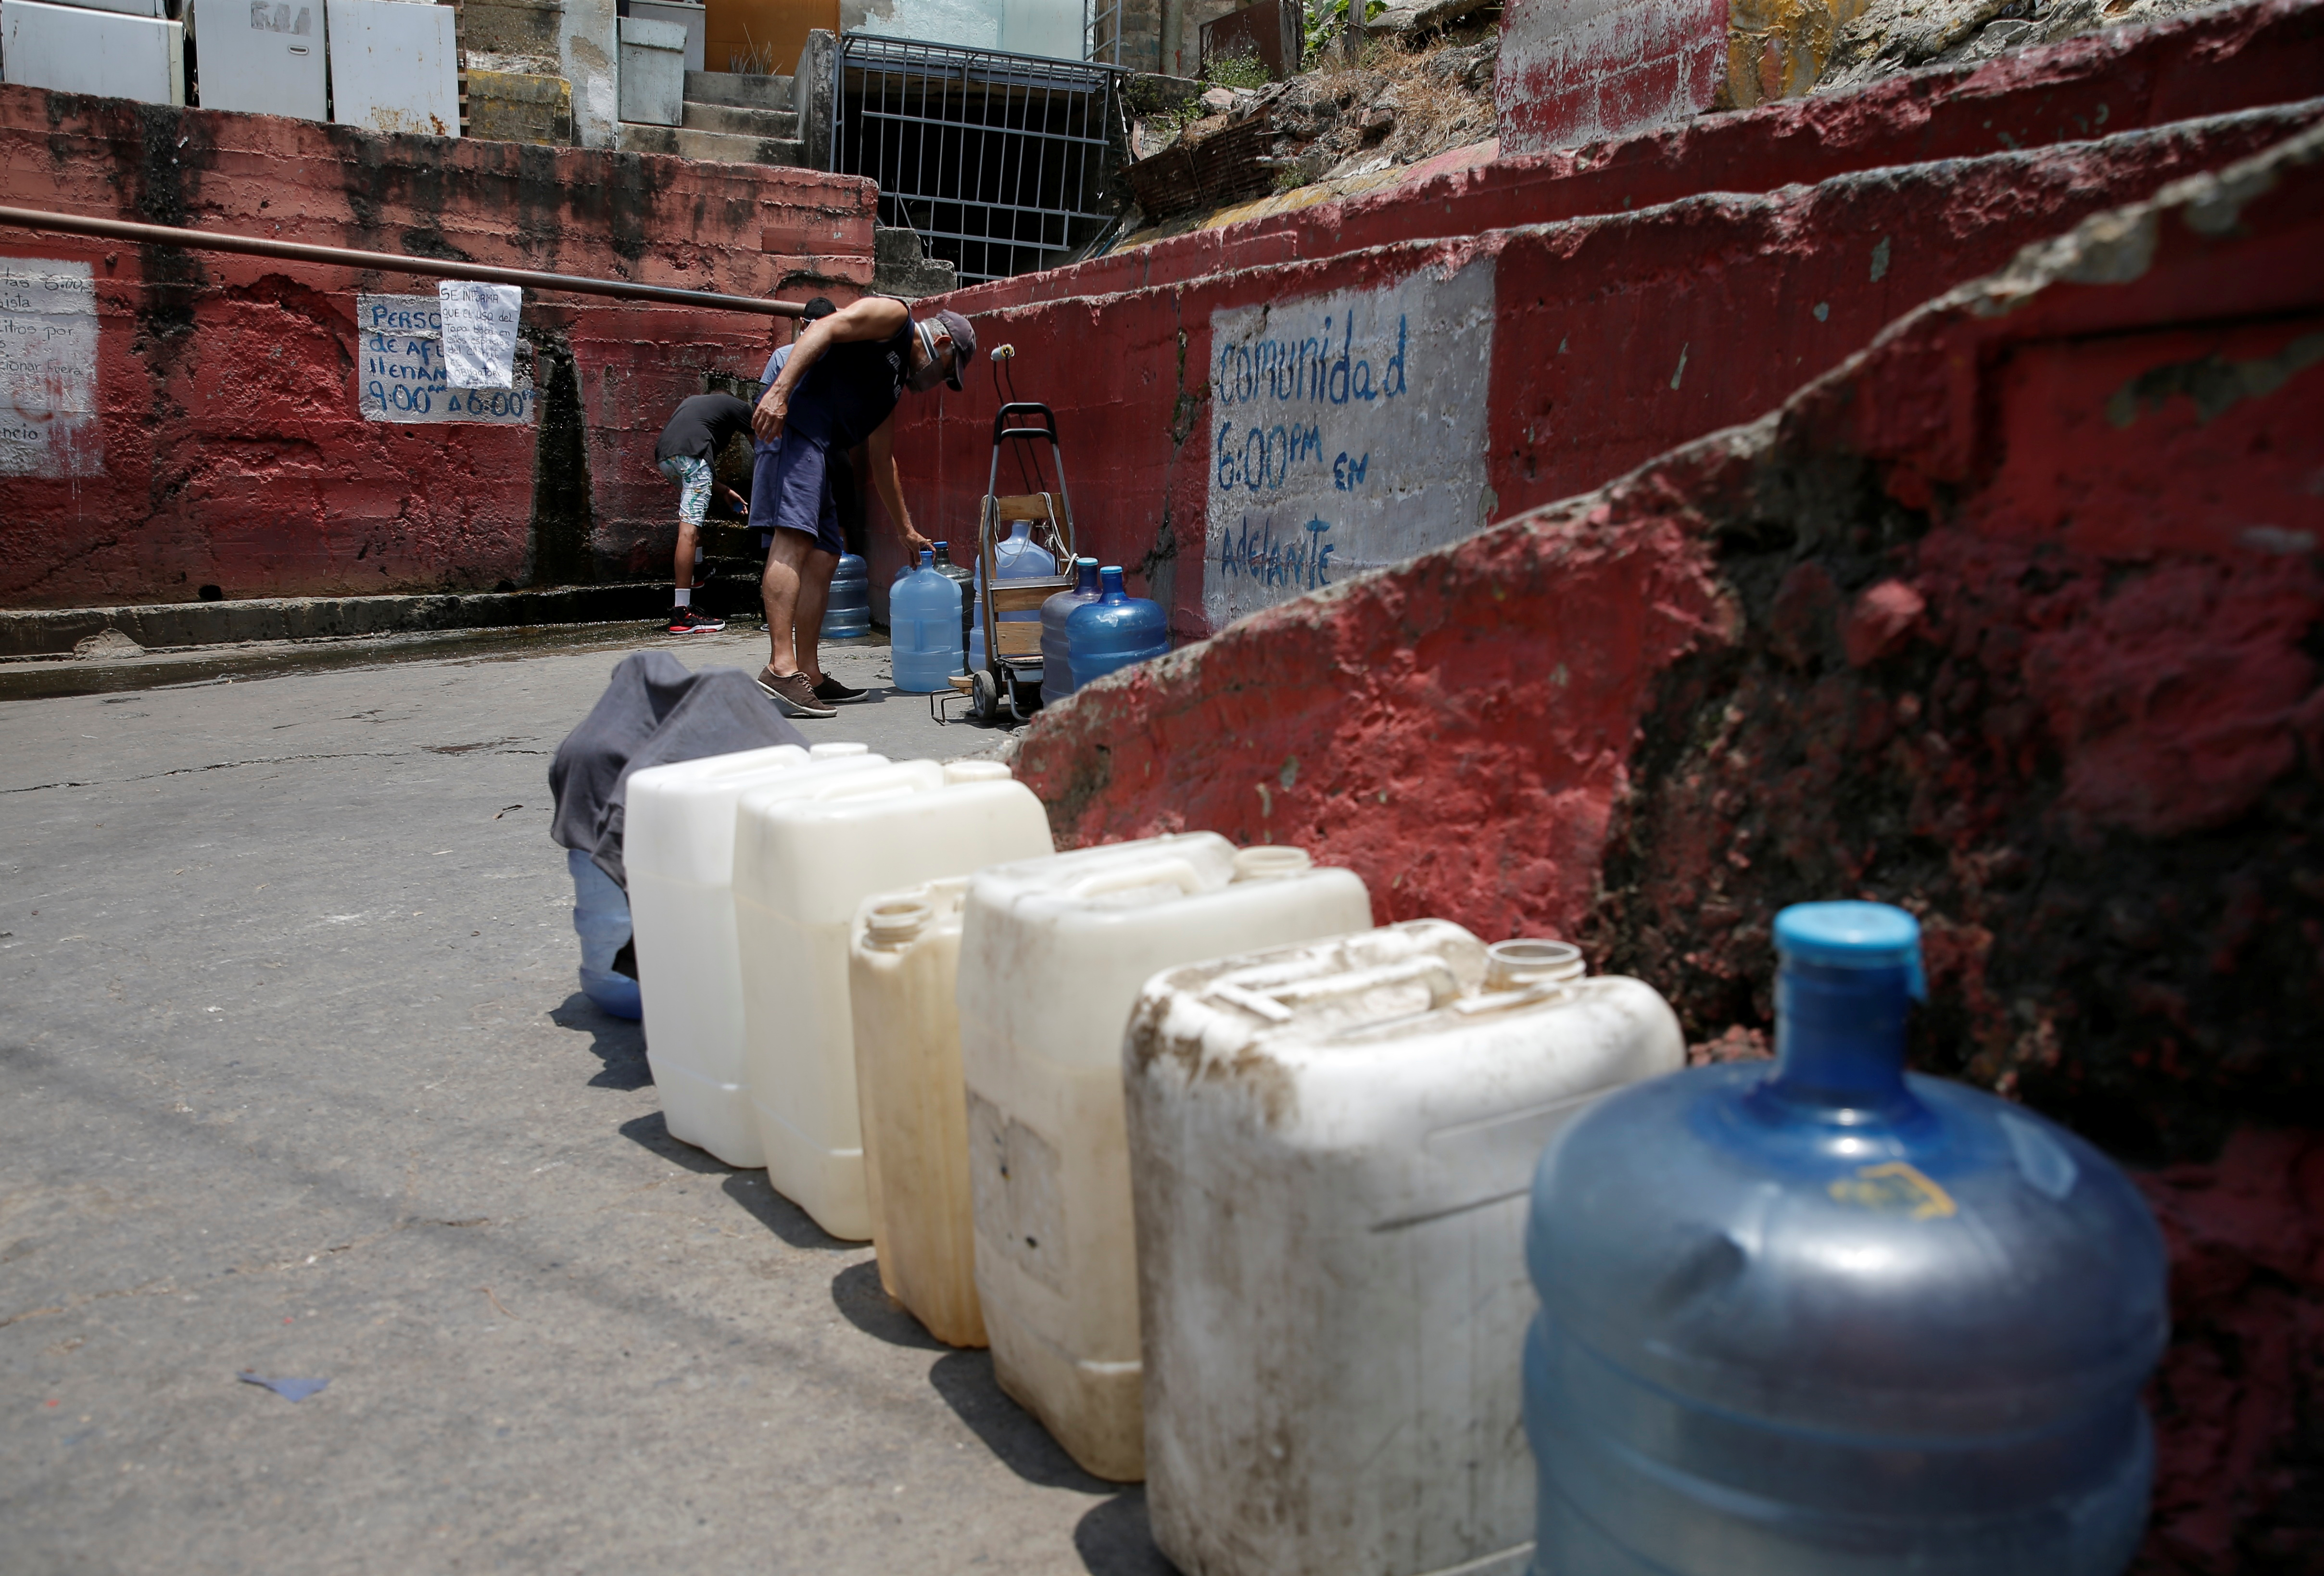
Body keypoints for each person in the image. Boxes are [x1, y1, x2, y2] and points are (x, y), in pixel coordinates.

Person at [748, 295, 973, 718]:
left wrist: (905, 529)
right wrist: (779, 392)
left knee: (827, 552)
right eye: (947, 370)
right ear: (941, 342)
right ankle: (781, 666)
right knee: (794, 538)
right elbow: (825, 326)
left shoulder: (889, 392)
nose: (939, 381)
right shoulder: (896, 316)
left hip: (822, 444)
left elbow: (882, 459)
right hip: (797, 423)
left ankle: (809, 674)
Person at [652, 391, 754, 635]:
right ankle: (681, 613)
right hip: (693, 458)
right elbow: (763, 451)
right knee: (689, 529)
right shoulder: (743, 409)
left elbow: (690, 469)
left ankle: (697, 571)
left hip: (666, 460)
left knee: (695, 522)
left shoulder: (696, 403)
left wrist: (725, 490)